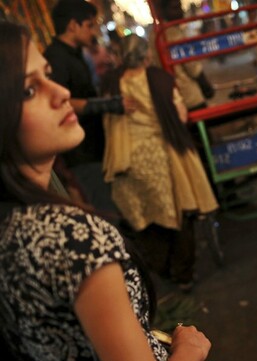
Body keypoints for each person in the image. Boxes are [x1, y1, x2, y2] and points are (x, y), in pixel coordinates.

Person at [0, 20, 240, 361]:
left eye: (47, 76)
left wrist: (169, 357)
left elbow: (81, 349)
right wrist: (188, 349)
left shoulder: (17, 224)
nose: (61, 93)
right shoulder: (73, 236)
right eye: (29, 89)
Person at [101, 34, 219, 292]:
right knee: (179, 213)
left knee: (143, 219)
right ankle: (182, 274)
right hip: (161, 159)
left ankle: (162, 268)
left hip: (127, 163)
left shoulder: (111, 82)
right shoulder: (160, 79)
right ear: (147, 55)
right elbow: (180, 114)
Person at [43, 0, 135, 220]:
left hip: (93, 143)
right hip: (81, 151)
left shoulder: (76, 54)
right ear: (73, 25)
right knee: (107, 210)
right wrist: (109, 104)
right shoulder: (56, 57)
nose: (93, 31)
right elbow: (61, 100)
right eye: (89, 25)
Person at [152, 0, 214, 111]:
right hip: (189, 95)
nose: (181, 12)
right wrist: (206, 86)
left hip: (172, 96)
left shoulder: (155, 34)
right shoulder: (172, 33)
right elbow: (192, 66)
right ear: (163, 11)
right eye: (175, 8)